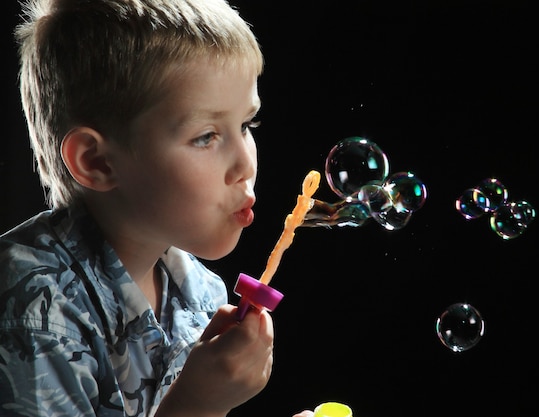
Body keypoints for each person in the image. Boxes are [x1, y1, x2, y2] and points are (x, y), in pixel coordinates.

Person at [0, 0, 314, 416]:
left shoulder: (201, 295)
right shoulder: (34, 308)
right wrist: (196, 406)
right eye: (206, 136)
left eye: (245, 126)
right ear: (98, 162)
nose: (245, 164)